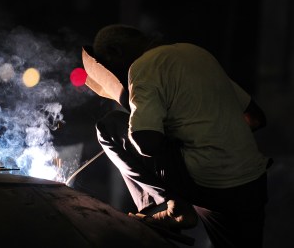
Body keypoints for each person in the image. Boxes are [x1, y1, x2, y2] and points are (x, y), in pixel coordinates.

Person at [81, 24, 272, 248]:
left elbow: (146, 142)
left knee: (110, 127)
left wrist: (168, 134)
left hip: (207, 182)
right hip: (251, 183)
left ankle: (168, 207)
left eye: (112, 68)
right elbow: (256, 118)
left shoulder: (143, 67)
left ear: (115, 52)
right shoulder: (196, 53)